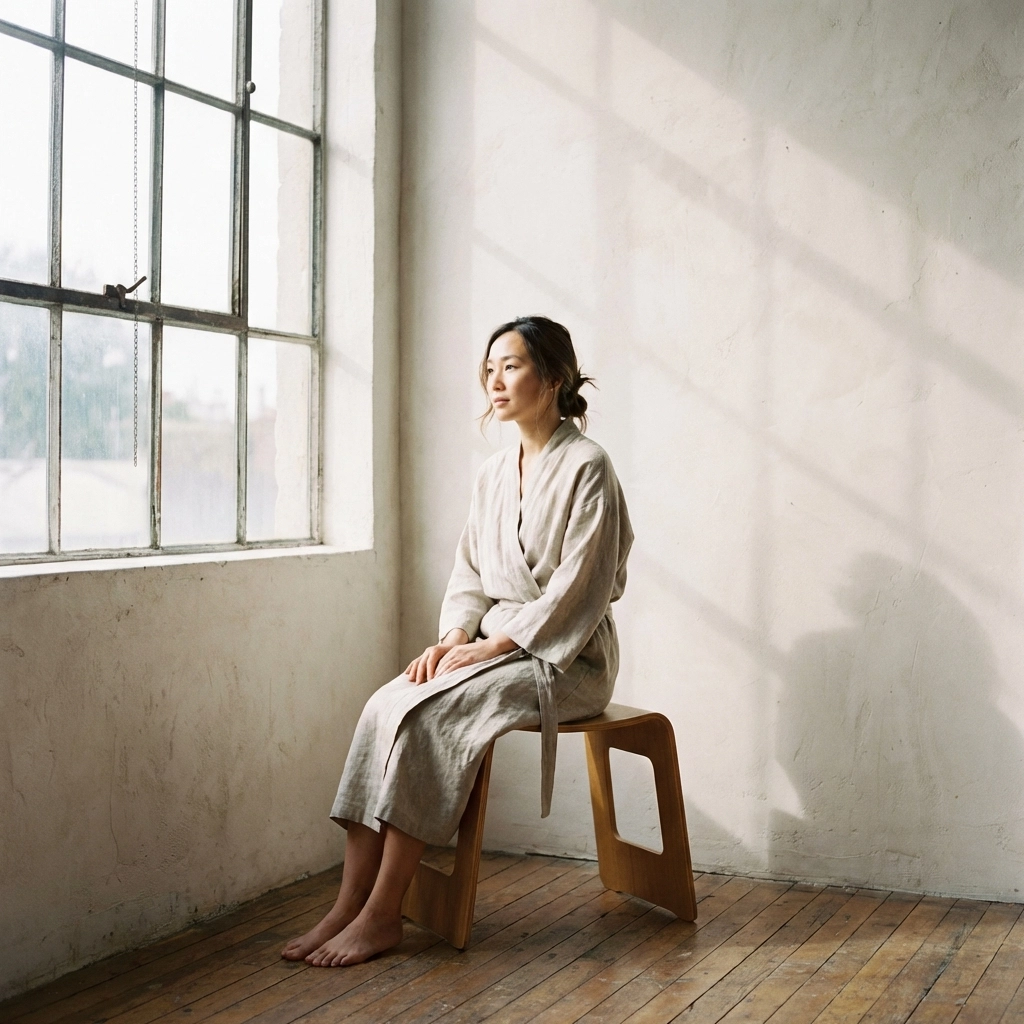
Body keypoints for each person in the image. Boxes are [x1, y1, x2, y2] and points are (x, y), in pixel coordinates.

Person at [282, 315, 633, 967]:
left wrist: (491, 647)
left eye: (513, 366)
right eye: (490, 368)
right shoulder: (494, 473)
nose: (495, 381)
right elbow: (469, 570)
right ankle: (347, 901)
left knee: (432, 718)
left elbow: (581, 590)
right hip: (496, 644)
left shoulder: (589, 466)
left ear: (554, 377)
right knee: (386, 705)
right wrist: (452, 639)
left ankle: (384, 914)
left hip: (567, 657)